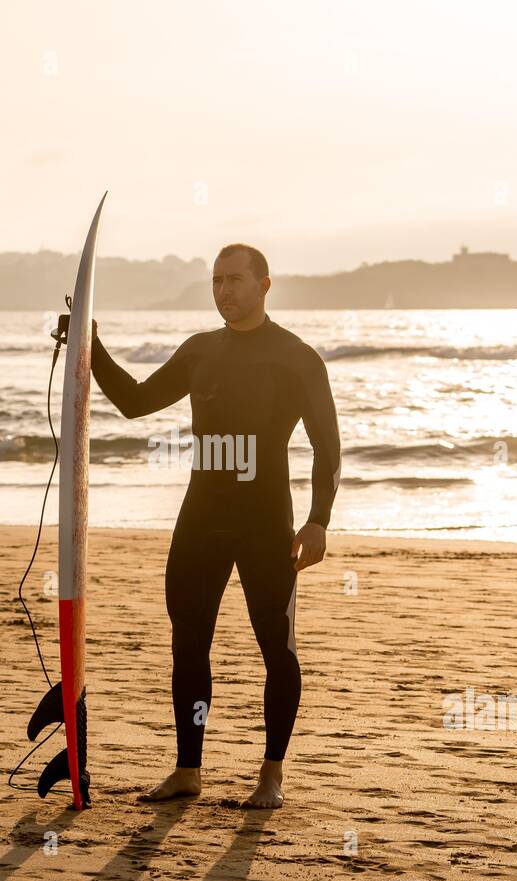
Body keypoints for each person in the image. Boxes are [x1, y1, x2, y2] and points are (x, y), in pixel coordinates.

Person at [88, 243, 341, 809]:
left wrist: (319, 520)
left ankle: (271, 774)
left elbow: (328, 447)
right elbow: (134, 401)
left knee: (276, 647)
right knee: (188, 642)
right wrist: (92, 345)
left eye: (234, 280)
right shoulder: (201, 351)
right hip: (201, 516)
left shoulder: (296, 358)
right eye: (216, 281)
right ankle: (187, 770)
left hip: (266, 521)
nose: (224, 291)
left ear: (265, 285)